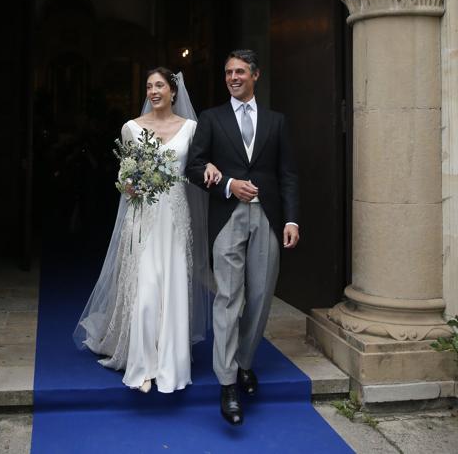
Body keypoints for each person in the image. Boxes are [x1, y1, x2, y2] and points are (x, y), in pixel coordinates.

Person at [74, 68, 219, 393]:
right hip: (143, 218)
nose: (153, 91)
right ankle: (143, 366)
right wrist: (129, 185)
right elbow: (126, 175)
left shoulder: (191, 129)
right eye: (149, 86)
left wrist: (210, 166)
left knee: (172, 288)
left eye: (160, 86)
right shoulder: (131, 128)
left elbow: (197, 165)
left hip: (175, 217)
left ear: (173, 92)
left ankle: (170, 361)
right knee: (145, 291)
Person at [186, 50, 300, 425]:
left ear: (255, 75)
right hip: (227, 218)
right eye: (228, 72)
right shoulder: (211, 119)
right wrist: (229, 184)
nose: (233, 77)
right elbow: (193, 166)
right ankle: (227, 383)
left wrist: (292, 220)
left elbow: (288, 174)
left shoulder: (276, 121)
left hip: (268, 218)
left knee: (260, 296)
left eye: (239, 72)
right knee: (228, 299)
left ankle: (245, 362)